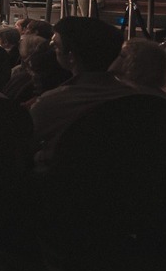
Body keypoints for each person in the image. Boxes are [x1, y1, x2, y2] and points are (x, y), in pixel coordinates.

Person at [28, 17, 136, 168]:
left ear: (71, 56)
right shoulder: (139, 98)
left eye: (56, 46)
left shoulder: (50, 104)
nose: (53, 50)